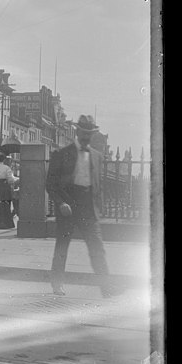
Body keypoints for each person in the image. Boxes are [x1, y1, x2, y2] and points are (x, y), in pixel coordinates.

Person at [46, 115, 119, 298]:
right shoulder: (61, 154)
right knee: (62, 247)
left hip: (89, 208)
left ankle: (107, 288)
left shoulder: (97, 156)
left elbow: (97, 184)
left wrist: (98, 206)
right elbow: (51, 184)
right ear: (77, 132)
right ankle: (57, 284)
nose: (87, 137)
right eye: (84, 133)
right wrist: (61, 202)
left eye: (90, 134)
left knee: (97, 247)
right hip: (68, 205)